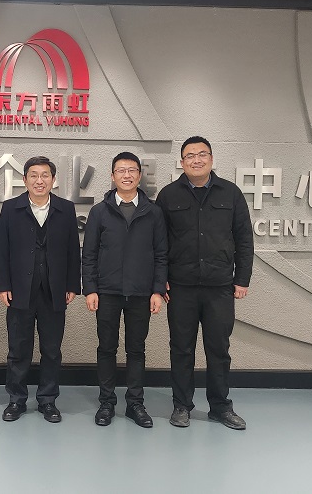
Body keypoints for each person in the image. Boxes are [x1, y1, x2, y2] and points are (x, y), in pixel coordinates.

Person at [156, 136, 254, 430]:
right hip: (180, 287)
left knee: (219, 349)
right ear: (181, 162)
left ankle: (220, 407)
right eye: (190, 156)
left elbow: (244, 239)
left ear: (211, 159)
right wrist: (160, 281)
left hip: (219, 287)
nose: (196, 160)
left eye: (202, 154)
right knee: (181, 349)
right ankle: (181, 406)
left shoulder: (231, 193)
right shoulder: (168, 195)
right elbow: (158, 243)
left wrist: (242, 279)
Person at [82, 152, 167, 428]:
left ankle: (135, 404)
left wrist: (157, 290)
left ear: (139, 175)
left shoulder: (153, 212)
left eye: (132, 170)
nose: (127, 175)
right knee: (106, 348)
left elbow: (161, 254)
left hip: (141, 293)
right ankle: (106, 403)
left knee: (136, 350)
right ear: (112, 176)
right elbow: (89, 254)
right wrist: (90, 289)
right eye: (121, 170)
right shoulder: (100, 211)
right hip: (107, 292)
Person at [0, 156, 81, 424]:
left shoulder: (66, 209)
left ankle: (48, 400)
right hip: (19, 289)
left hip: (54, 289)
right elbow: (1, 249)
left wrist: (72, 285)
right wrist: (2, 285)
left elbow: (72, 249)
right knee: (18, 349)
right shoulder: (11, 208)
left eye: (45, 175)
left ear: (53, 180)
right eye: (33, 175)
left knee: (51, 349)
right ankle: (16, 400)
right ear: (24, 180)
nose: (39, 180)